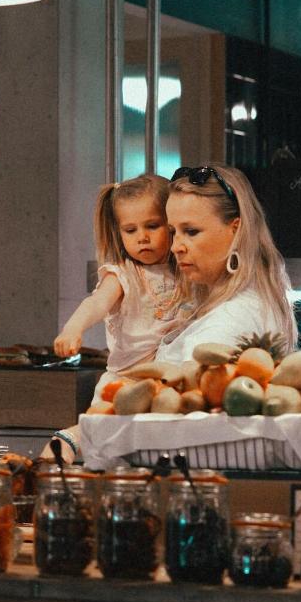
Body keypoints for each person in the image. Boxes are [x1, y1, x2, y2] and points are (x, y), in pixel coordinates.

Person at [78, 164, 297, 602]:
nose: (174, 245)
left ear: (238, 230)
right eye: (170, 230)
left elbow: (166, 403)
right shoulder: (210, 301)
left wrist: (92, 422)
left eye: (191, 231)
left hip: (195, 519)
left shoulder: (237, 315)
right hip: (160, 515)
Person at [50, 173, 178, 461]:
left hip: (168, 384)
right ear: (119, 233)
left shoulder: (187, 269)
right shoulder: (122, 274)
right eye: (130, 230)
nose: (142, 237)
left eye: (153, 226)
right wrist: (73, 328)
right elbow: (96, 303)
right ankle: (66, 449)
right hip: (124, 381)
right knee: (107, 455)